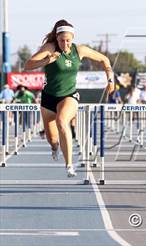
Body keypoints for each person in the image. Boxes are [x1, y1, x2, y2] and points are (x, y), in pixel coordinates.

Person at [24, 19, 114, 177]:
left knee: (62, 121)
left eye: (68, 40)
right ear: (56, 38)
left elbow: (104, 60)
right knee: (52, 139)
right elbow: (28, 65)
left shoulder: (79, 50)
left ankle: (69, 165)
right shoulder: (49, 48)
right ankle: (54, 147)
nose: (65, 44)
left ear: (72, 38)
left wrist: (111, 80)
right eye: (61, 40)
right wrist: (47, 60)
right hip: (48, 98)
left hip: (69, 95)